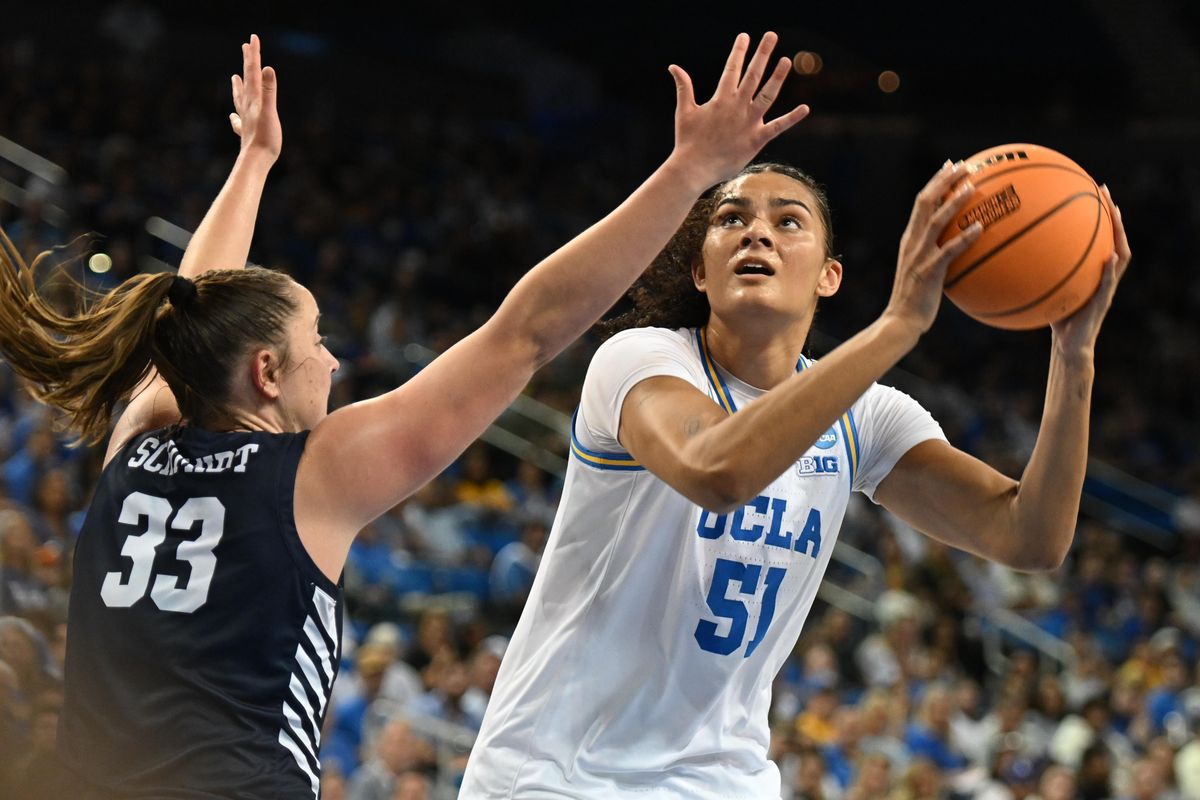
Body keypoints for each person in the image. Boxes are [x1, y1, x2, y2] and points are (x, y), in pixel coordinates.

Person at [0, 29, 807, 800]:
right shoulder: (315, 476)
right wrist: (688, 171)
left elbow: (194, 305)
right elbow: (527, 331)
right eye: (317, 341)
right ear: (267, 371)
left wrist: (254, 162)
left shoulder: (136, 441)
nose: (335, 359)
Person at [462, 63, 1132, 800]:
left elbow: (1030, 538)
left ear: (829, 276)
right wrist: (898, 324)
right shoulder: (640, 362)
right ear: (701, 273)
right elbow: (717, 470)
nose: (758, 232)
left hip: (723, 780)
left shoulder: (868, 417)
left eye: (789, 221)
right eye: (730, 220)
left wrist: (1074, 359)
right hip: (557, 776)